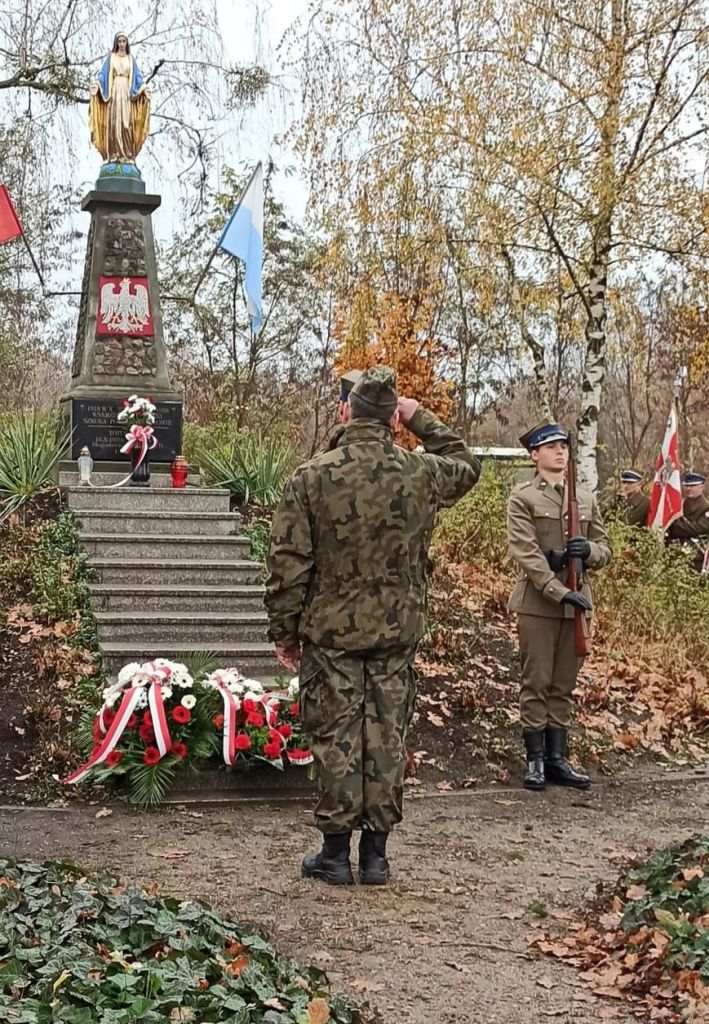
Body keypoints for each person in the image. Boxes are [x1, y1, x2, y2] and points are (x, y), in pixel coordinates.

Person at [265, 367, 480, 885]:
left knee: (336, 735)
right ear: (391, 419)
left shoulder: (312, 477)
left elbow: (288, 563)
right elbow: (467, 464)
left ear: (346, 412)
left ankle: (335, 855)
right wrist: (419, 416)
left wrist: (284, 632)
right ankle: (377, 856)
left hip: (332, 634)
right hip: (395, 632)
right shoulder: (421, 472)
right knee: (385, 734)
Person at [507, 423, 612, 791]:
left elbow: (605, 546)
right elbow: (527, 554)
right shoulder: (523, 497)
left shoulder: (584, 497)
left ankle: (556, 758)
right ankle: (534, 759)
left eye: (563, 446)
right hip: (539, 604)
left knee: (563, 684)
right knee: (536, 681)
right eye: (550, 447)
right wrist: (557, 590)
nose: (560, 452)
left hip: (577, 603)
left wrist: (591, 552)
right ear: (535, 454)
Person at [89, 33, 150, 163]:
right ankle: (113, 155)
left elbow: (138, 79)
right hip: (114, 92)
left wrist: (144, 89)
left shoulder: (130, 59)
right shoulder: (111, 58)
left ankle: (127, 155)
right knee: (113, 123)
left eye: (124, 41)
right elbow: (102, 76)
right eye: (119, 41)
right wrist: (97, 85)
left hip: (126, 94)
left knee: (126, 124)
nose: (122, 44)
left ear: (127, 43)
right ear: (116, 43)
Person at [667, 471, 709, 573]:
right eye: (686, 485)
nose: (689, 489)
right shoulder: (679, 505)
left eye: (693, 485)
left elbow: (699, 529)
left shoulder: (706, 507)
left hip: (697, 556)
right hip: (676, 552)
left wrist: (676, 526)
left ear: (701, 487)